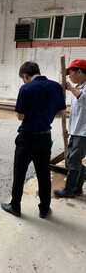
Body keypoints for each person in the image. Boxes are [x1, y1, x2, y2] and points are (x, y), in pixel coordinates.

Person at [1, 61, 66, 219]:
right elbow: (62, 112)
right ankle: (44, 209)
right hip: (45, 137)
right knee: (43, 174)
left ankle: (15, 206)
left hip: (27, 138)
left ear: (25, 76)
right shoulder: (56, 87)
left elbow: (20, 116)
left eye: (23, 78)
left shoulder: (26, 88)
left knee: (20, 173)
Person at [54, 59, 86, 198]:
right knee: (74, 159)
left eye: (71, 73)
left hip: (84, 133)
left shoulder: (80, 89)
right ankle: (78, 188)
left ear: (79, 72)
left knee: (73, 161)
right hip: (77, 131)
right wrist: (68, 130)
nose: (69, 77)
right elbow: (76, 113)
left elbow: (84, 100)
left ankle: (68, 189)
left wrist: (70, 88)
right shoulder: (79, 88)